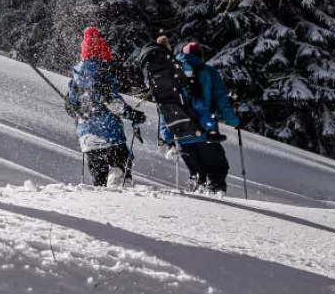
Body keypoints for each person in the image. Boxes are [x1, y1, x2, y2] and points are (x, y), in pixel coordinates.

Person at [65, 27, 147, 187]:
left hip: (87, 138)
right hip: (109, 133)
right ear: (101, 52)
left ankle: (102, 201)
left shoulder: (75, 80)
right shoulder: (101, 73)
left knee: (99, 179)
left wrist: (74, 107)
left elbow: (70, 108)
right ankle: (118, 182)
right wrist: (132, 114)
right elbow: (112, 103)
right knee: (122, 168)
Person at [164, 41, 241, 195]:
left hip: (180, 133)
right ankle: (214, 196)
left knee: (197, 174)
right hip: (205, 131)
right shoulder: (209, 72)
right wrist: (235, 121)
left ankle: (199, 203)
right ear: (200, 56)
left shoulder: (173, 73)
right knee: (218, 168)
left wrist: (167, 137)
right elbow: (222, 102)